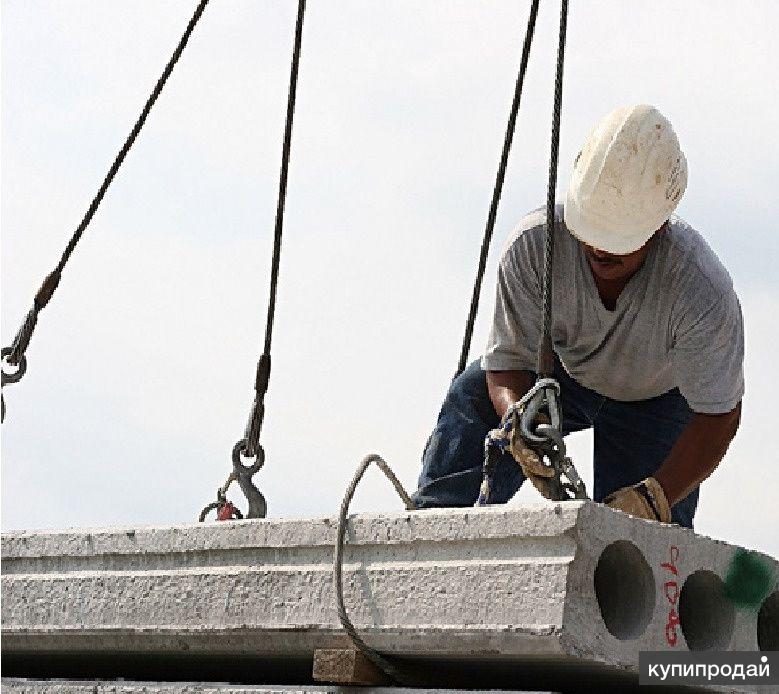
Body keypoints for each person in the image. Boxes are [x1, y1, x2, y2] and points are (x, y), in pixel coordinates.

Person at [412, 104, 743, 528]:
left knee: (643, 554)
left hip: (656, 402)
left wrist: (655, 496)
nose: (600, 251)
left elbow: (719, 416)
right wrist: (519, 421)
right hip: (562, 378)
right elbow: (508, 363)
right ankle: (431, 532)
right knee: (473, 395)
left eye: (617, 242)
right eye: (591, 234)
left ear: (658, 228)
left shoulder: (700, 290)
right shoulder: (534, 246)